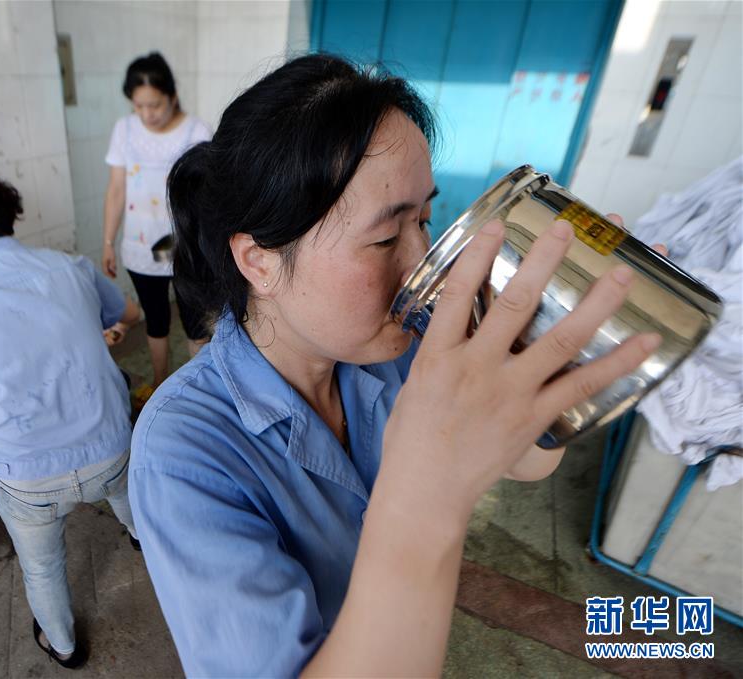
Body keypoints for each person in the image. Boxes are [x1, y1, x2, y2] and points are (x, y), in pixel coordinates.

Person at [126, 54, 662, 676]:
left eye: (425, 219)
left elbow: (528, 460)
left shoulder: (392, 352)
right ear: (260, 262)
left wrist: (540, 353)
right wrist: (426, 503)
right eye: (385, 238)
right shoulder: (183, 451)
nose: (421, 263)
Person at [0, 150, 142, 670]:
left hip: (28, 479)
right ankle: (142, 536)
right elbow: (128, 314)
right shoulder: (71, 267)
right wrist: (112, 332)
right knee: (131, 499)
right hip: (111, 449)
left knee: (42, 568)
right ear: (2, 206)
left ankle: (63, 645)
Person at [102, 52, 212, 394]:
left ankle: (201, 392)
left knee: (196, 323)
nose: (147, 114)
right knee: (156, 319)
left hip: (185, 247)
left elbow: (205, 196)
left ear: (172, 96)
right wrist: (108, 241)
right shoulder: (125, 129)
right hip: (139, 245)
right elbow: (117, 189)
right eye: (139, 106)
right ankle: (161, 382)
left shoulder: (197, 132)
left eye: (155, 105)